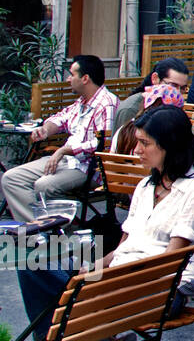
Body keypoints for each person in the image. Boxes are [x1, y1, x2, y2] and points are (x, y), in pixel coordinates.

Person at [16, 105, 194, 341]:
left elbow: (170, 262)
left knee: (66, 318)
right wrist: (94, 267)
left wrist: (104, 280)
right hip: (120, 278)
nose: (136, 150)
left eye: (145, 144)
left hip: (162, 288)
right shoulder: (146, 186)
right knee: (32, 261)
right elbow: (125, 246)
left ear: (171, 146)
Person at [2, 54, 118, 222]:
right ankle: (39, 229)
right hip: (66, 161)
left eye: (72, 74)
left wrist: (64, 150)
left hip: (89, 168)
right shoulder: (81, 102)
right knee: (12, 178)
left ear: (85, 78)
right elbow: (60, 119)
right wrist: (45, 130)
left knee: (43, 185)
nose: (69, 79)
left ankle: (52, 230)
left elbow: (103, 144)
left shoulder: (107, 103)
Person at [113, 57, 189, 134]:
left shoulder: (174, 110)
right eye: (173, 85)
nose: (177, 93)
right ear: (155, 79)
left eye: (182, 88)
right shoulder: (130, 110)